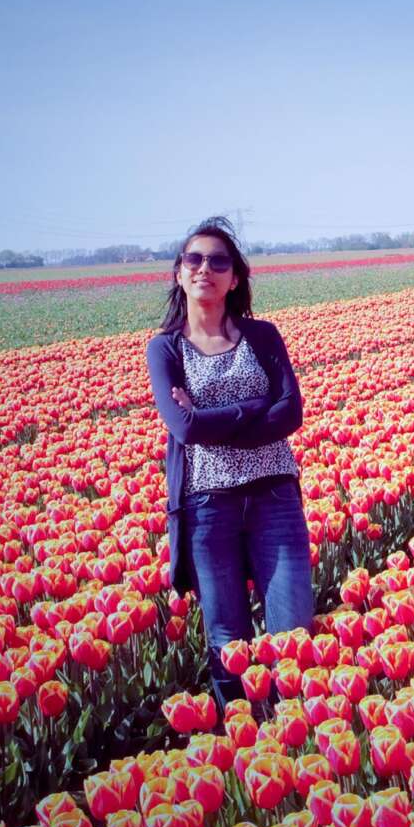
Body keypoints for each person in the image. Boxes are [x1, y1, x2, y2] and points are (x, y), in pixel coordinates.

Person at [145, 216, 314, 710]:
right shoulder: (166, 348)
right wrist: (255, 410)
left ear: (235, 277)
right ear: (179, 273)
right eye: (194, 259)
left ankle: (295, 734)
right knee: (227, 638)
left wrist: (214, 418)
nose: (206, 268)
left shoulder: (262, 336)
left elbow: (292, 413)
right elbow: (185, 428)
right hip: (207, 507)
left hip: (274, 498)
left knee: (293, 627)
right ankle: (240, 740)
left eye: (219, 261)